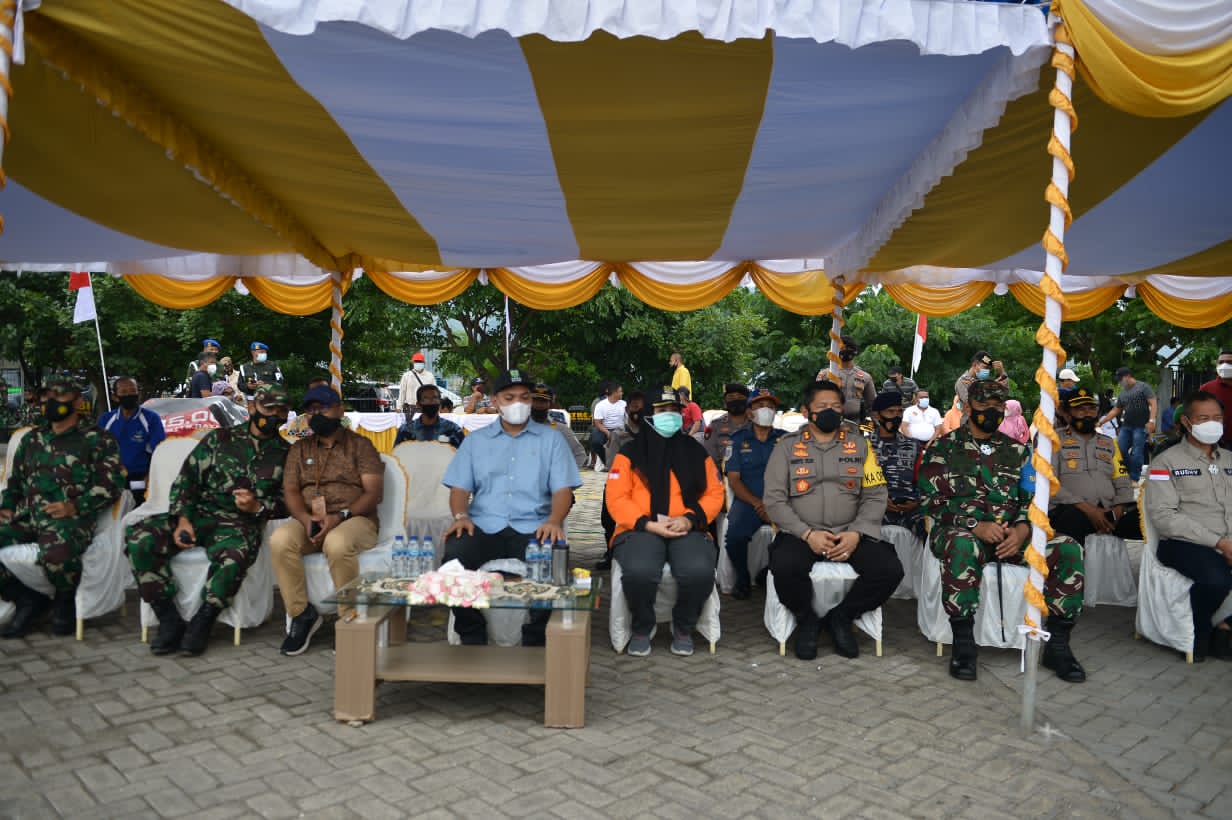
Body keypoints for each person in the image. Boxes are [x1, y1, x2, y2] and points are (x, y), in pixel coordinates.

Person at [919, 379, 1087, 683]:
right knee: (961, 545)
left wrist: (1022, 528)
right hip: (961, 531)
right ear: (968, 407)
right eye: (984, 405)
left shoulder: (1018, 451)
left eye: (998, 406)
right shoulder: (943, 448)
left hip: (1012, 536)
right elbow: (931, 502)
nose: (992, 411)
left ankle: (1058, 644)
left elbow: (1033, 498)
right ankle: (964, 644)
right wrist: (975, 525)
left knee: (1068, 548)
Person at [126, 385, 291, 657]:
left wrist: (259, 506)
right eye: (269, 408)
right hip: (198, 515)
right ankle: (168, 619)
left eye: (281, 411)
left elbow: (290, 502)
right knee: (139, 538)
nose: (274, 415)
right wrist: (182, 519)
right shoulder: (220, 439)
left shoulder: (287, 454)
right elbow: (186, 480)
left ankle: (203, 621)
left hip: (239, 523)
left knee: (235, 557)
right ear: (252, 408)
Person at [440, 368, 582, 646]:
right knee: (452, 562)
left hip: (534, 527)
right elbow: (459, 489)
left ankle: (536, 637)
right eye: (509, 397)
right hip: (482, 525)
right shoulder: (476, 441)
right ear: (495, 401)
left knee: (552, 567)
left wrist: (554, 520)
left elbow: (563, 490)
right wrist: (460, 515)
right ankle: (471, 632)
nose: (518, 403)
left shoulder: (552, 440)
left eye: (524, 397)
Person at [764, 380, 902, 660]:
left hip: (850, 532)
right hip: (801, 534)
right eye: (823, 406)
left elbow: (876, 494)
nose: (831, 411)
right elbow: (774, 499)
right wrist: (807, 534)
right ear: (806, 411)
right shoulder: (786, 448)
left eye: (836, 406)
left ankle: (842, 617)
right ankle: (807, 621)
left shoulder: (861, 445)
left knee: (889, 570)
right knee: (785, 566)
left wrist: (857, 533)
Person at [0, 376, 126, 639]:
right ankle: (27, 599)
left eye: (59, 397)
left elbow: (112, 484)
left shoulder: (96, 439)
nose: (51, 402)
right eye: (47, 397)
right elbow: (15, 481)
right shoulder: (32, 438)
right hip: (27, 515)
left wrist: (74, 506)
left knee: (58, 553)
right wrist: (7, 507)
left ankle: (64, 600)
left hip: (69, 518)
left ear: (77, 401)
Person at [605, 389, 724, 657]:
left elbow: (715, 493)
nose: (669, 416)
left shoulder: (696, 451)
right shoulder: (629, 452)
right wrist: (646, 524)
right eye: (661, 411)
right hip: (640, 528)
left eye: (674, 410)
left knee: (698, 572)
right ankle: (642, 626)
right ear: (649, 415)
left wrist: (690, 519)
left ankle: (683, 626)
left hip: (688, 526)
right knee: (639, 571)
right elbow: (616, 497)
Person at [271, 385, 384, 656]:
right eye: (310, 409)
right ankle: (301, 614)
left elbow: (373, 493)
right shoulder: (299, 449)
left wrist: (340, 516)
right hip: (311, 518)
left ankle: (349, 619)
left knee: (336, 543)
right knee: (279, 540)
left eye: (322, 407)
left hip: (355, 518)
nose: (316, 413)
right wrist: (305, 519)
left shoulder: (361, 446)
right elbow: (291, 491)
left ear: (340, 410)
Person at [1144, 390, 1232, 661]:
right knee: (1216, 580)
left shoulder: (1229, 459)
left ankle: (1225, 626)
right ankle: (1200, 628)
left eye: (1217, 418)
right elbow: (1164, 517)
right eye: (1203, 418)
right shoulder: (1165, 462)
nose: (1212, 424)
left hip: (1228, 539)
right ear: (1186, 421)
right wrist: (1220, 543)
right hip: (1184, 543)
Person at [1049, 388, 1141, 546]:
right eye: (1080, 409)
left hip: (1110, 510)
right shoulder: (1053, 441)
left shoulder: (1109, 443)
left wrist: (1119, 508)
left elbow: (1122, 480)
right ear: (1067, 414)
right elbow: (1050, 483)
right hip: (1071, 510)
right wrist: (1089, 510)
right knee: (1073, 518)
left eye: (1092, 408)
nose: (1088, 413)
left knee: (1150, 517)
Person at [724, 388, 786, 599]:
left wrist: (774, 504)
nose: (766, 409)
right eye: (760, 406)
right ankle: (743, 578)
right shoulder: (737, 440)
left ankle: (767, 572)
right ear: (749, 412)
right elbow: (734, 479)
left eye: (770, 406)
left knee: (797, 535)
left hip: (781, 501)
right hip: (748, 501)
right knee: (734, 537)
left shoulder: (786, 440)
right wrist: (758, 503)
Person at [98, 377, 167, 503]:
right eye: (124, 392)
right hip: (111, 480)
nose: (129, 395)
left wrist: (150, 476)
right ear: (115, 397)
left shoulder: (151, 418)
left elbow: (160, 451)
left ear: (138, 394)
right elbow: (97, 451)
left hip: (140, 479)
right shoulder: (106, 419)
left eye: (132, 391)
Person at [600, 391, 648, 567]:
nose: (638, 412)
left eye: (642, 408)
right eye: (635, 407)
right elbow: (612, 464)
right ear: (627, 410)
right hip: (621, 481)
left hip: (645, 485)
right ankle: (610, 552)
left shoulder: (652, 434)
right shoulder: (618, 434)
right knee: (607, 518)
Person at [869, 391, 924, 537]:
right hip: (872, 509)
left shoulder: (914, 446)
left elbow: (924, 481)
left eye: (899, 411)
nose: (896, 416)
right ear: (877, 415)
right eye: (890, 411)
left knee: (931, 532)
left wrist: (916, 501)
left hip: (909, 510)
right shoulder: (863, 446)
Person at [1098, 366, 1156, 481]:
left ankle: (1134, 477)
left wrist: (1151, 421)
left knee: (1137, 451)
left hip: (1141, 426)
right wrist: (1101, 422)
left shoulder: (1143, 387)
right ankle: (1129, 471)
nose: (1120, 381)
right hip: (1127, 426)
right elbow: (1116, 410)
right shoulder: (1123, 393)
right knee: (1120, 450)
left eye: (1121, 379)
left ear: (1128, 376)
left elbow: (1153, 403)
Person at [814, 334, 875, 422]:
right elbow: (815, 400)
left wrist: (878, 424)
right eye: (841, 348)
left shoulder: (865, 377)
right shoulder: (826, 375)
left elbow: (873, 404)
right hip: (830, 422)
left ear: (855, 351)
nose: (844, 350)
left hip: (855, 423)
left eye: (848, 348)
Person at [531, 382, 587, 469]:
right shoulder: (517, 427)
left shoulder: (560, 429)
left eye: (543, 401)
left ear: (550, 403)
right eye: (535, 401)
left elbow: (579, 454)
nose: (539, 405)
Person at [394, 384, 464, 449]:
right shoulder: (406, 430)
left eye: (434, 398)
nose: (431, 402)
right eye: (426, 399)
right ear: (418, 404)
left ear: (440, 403)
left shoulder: (453, 430)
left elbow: (463, 455)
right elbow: (397, 455)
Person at [703, 383, 752, 471]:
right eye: (731, 398)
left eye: (740, 397)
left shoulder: (756, 424)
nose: (736, 400)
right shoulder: (715, 426)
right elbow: (711, 462)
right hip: (724, 476)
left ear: (748, 401)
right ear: (725, 403)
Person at [1198, 351, 1232, 448]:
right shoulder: (1206, 388)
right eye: (1221, 362)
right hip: (1215, 443)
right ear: (1217, 365)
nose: (1224, 365)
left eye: (1229, 362)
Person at [590, 382, 626, 472]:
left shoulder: (624, 404)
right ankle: (607, 462)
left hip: (620, 429)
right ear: (614, 393)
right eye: (620, 391)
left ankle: (623, 464)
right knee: (595, 441)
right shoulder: (601, 405)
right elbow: (597, 423)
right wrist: (608, 433)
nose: (622, 393)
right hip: (604, 428)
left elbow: (628, 420)